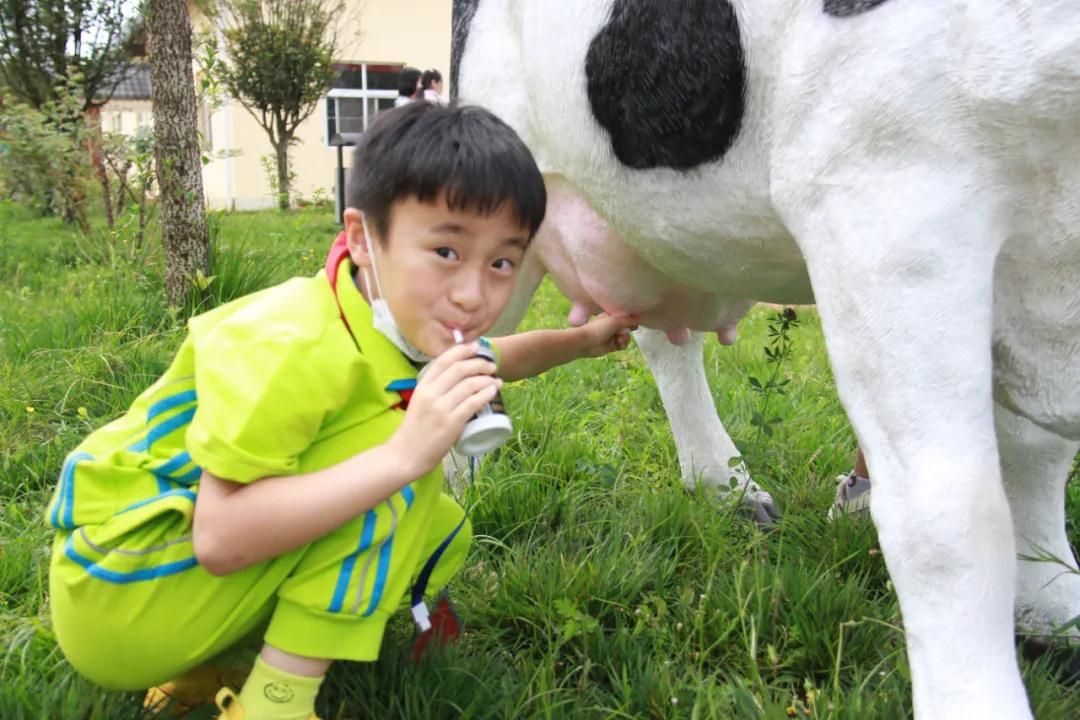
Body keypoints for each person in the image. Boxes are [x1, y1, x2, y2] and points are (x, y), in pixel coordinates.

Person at [45, 101, 639, 720]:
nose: (472, 294)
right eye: (445, 251)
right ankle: (276, 705)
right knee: (400, 481)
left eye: (501, 263)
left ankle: (197, 668)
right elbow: (219, 539)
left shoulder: (375, 314)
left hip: (154, 586)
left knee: (439, 519)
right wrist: (403, 458)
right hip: (119, 591)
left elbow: (497, 356)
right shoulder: (294, 343)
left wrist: (586, 341)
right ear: (362, 237)